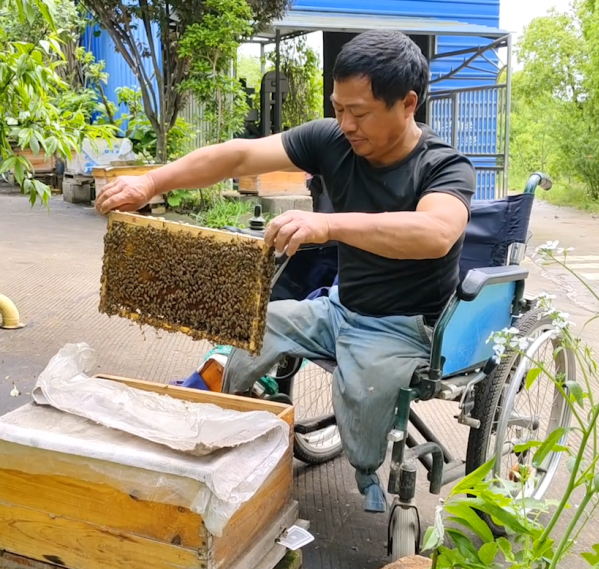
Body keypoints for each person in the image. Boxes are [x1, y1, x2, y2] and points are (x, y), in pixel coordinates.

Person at [95, 30, 476, 514]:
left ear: (406, 104)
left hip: (403, 328)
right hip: (340, 307)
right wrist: (151, 180)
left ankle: (369, 475)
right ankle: (199, 409)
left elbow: (435, 231)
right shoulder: (332, 140)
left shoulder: (445, 166)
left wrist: (328, 224)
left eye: (359, 112)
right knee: (251, 326)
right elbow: (239, 155)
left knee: (363, 403)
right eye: (338, 108)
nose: (345, 123)